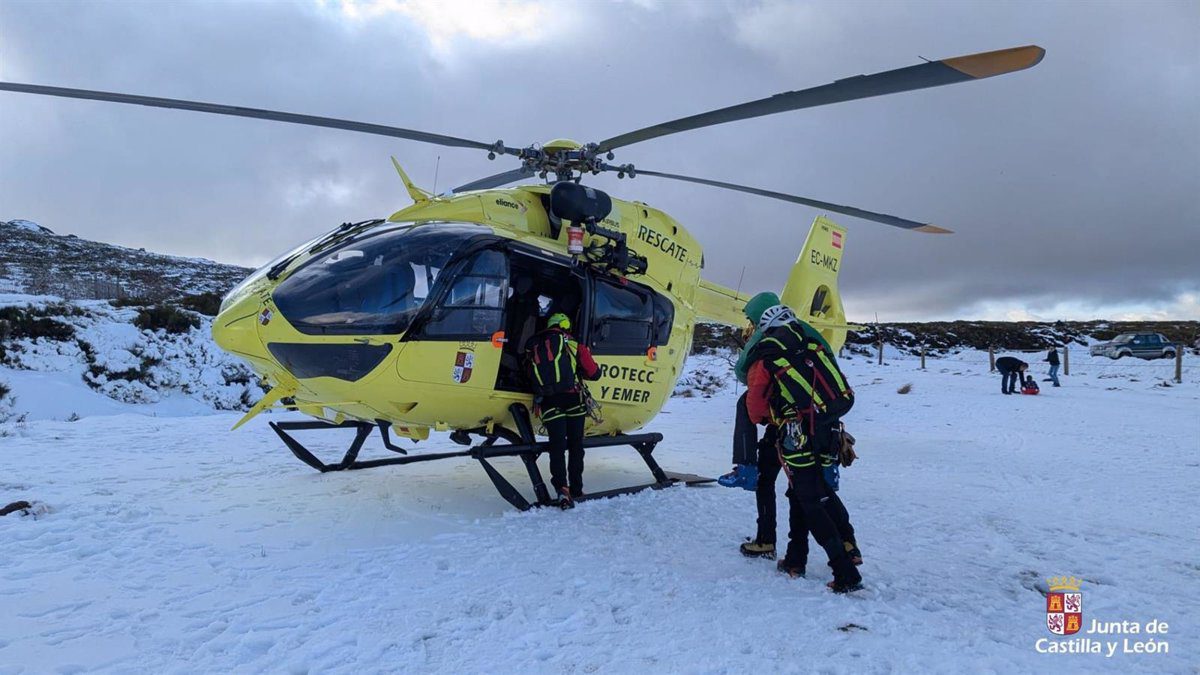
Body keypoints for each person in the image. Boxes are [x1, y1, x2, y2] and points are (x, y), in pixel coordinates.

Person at [742, 295, 863, 592]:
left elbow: (754, 406)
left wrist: (769, 418)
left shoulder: (767, 353)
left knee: (809, 498)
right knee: (817, 492)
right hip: (829, 429)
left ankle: (844, 572)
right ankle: (823, 551)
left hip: (796, 434)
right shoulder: (813, 345)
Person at [526, 312, 600, 507]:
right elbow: (594, 372)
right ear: (565, 325)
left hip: (549, 401)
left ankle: (561, 489)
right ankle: (576, 487)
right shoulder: (573, 344)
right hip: (572, 399)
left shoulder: (534, 345)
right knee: (576, 444)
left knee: (556, 446)